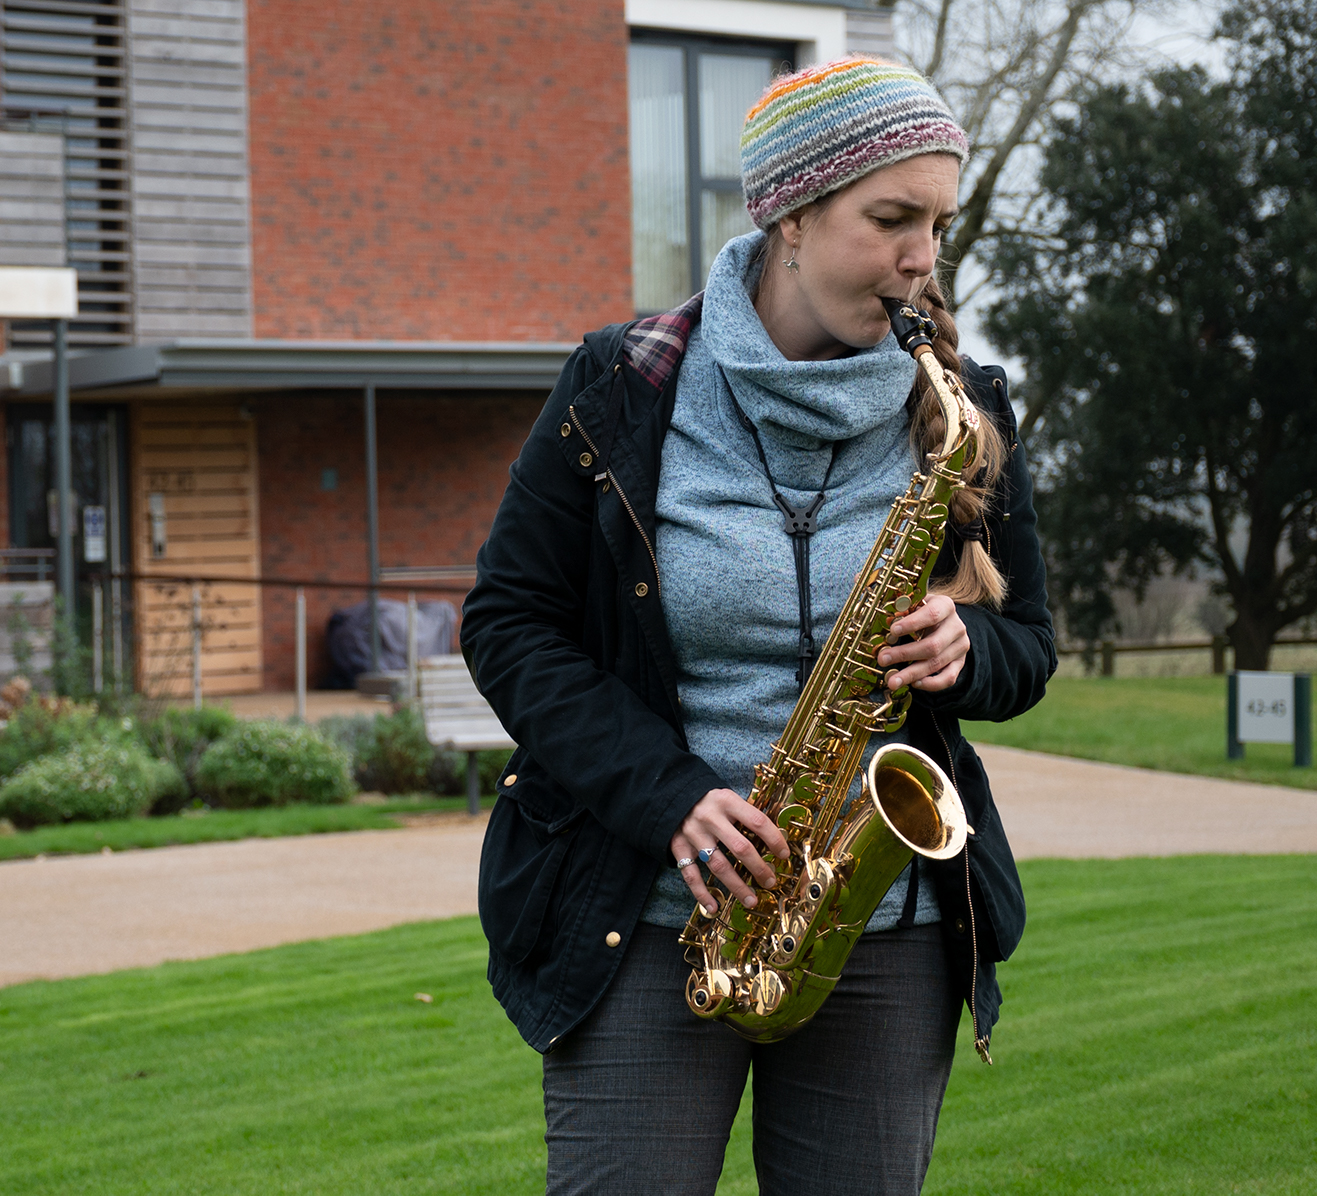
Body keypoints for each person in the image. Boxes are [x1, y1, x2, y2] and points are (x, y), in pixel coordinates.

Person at [460, 57, 1056, 1195]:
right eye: (891, 218)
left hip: (884, 920)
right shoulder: (621, 383)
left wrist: (971, 648)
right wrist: (667, 792)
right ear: (789, 213)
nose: (923, 257)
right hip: (645, 914)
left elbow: (1029, 641)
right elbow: (509, 622)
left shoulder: (965, 406)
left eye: (937, 221)